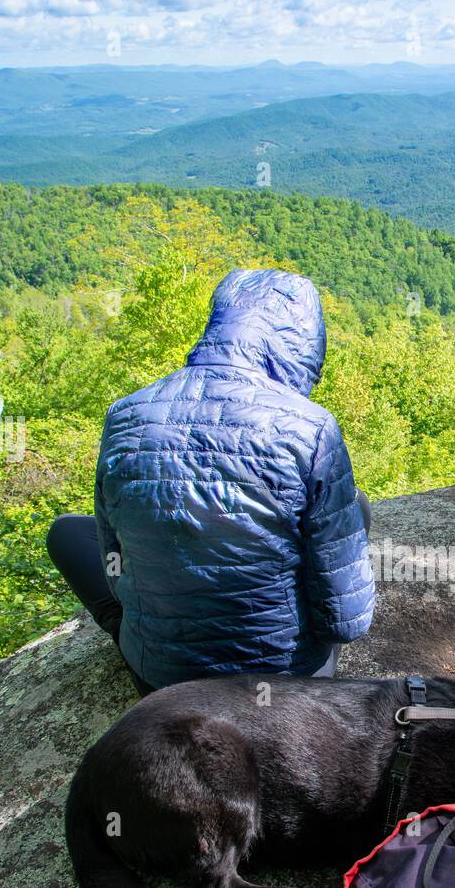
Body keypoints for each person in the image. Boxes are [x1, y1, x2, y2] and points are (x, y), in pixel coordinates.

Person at [46, 268, 374, 695]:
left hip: (159, 679)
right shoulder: (311, 429)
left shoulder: (125, 415)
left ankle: (138, 638)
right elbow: (346, 620)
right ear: (305, 342)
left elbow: (116, 565)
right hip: (280, 686)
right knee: (355, 508)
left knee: (66, 533)